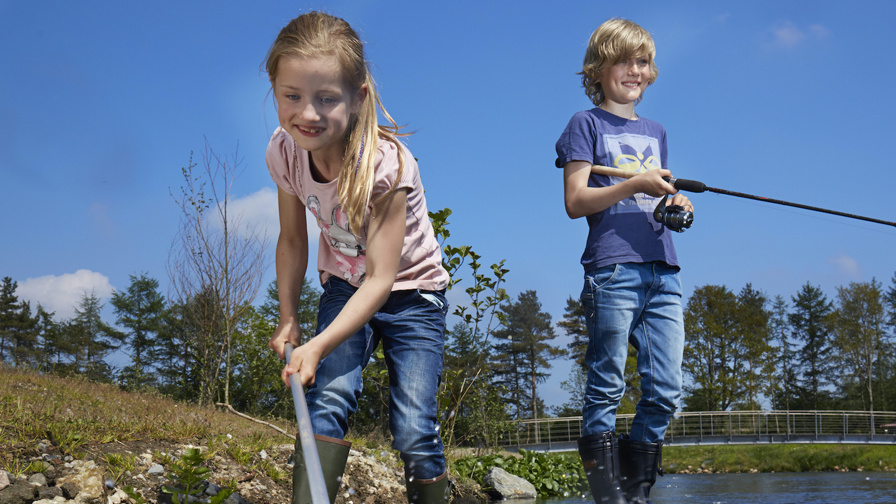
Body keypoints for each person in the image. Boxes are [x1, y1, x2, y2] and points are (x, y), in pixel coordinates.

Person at [263, 12, 451, 504]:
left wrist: (319, 345)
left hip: (412, 293)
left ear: (358, 96)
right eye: (292, 96)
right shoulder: (283, 154)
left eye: (327, 98)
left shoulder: (386, 166)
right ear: (275, 90)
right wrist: (289, 318)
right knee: (327, 398)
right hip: (345, 285)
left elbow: (382, 279)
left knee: (412, 428)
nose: (308, 114)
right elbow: (292, 240)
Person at [554, 18, 693, 504]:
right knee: (607, 383)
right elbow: (575, 201)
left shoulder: (657, 131)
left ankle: (637, 492)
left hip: (663, 269)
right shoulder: (584, 125)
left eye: (642, 62)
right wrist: (636, 182)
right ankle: (606, 495)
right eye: (623, 61)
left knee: (667, 389)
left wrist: (677, 204)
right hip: (611, 270)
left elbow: (657, 202)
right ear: (598, 68)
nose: (634, 70)